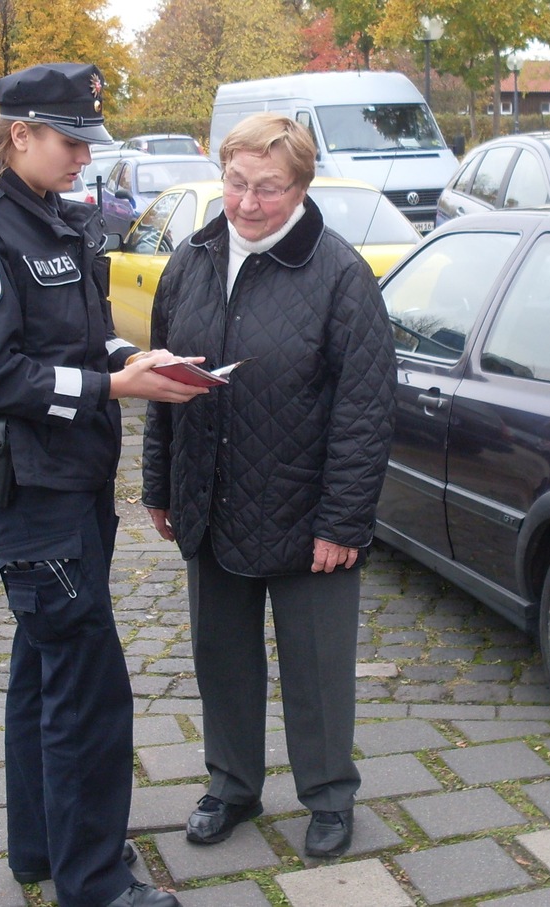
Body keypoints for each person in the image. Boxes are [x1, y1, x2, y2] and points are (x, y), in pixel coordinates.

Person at [0, 62, 205, 907]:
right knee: (86, 683)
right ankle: (95, 882)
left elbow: (76, 339)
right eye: (71, 139)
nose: (85, 155)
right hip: (33, 488)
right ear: (21, 137)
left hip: (73, 479)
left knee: (43, 666)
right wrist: (117, 388)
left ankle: (42, 848)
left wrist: (132, 357)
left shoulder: (50, 220)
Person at [141, 112, 397, 859]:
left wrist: (344, 522)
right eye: (236, 183)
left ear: (302, 187)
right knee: (219, 655)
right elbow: (161, 382)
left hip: (306, 512)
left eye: (270, 188)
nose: (249, 203)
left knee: (316, 666)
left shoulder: (341, 275)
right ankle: (231, 785)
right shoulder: (189, 261)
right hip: (211, 499)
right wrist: (160, 483)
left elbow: (366, 408)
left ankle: (326, 794)